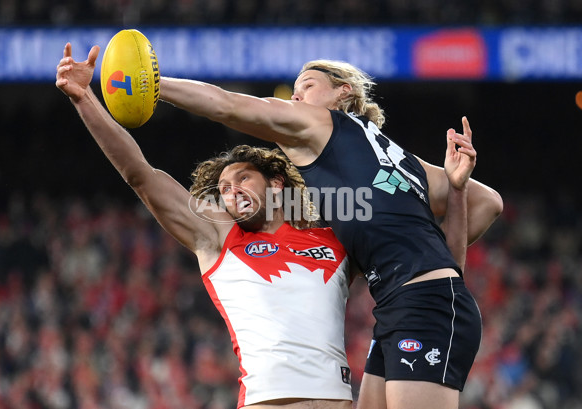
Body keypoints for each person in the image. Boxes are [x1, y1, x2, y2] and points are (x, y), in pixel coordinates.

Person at [157, 60, 503, 409]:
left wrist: (155, 85)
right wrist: (453, 209)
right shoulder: (399, 158)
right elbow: (486, 202)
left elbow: (227, 105)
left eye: (307, 85)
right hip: (405, 303)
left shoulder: (323, 123)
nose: (295, 96)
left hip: (422, 302)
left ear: (343, 91)